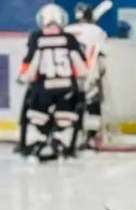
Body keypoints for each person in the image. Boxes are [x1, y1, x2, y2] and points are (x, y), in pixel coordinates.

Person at [16, 4, 87, 161]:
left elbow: (31, 64)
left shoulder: (37, 37)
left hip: (43, 88)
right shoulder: (69, 38)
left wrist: (23, 77)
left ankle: (38, 142)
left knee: (38, 117)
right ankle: (60, 142)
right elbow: (81, 66)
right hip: (67, 87)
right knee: (65, 118)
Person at [65, 2, 107, 149]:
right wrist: (101, 73)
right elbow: (101, 58)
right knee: (93, 106)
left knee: (69, 105)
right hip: (90, 75)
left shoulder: (67, 29)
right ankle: (90, 137)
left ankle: (68, 136)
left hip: (69, 75)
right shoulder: (98, 31)